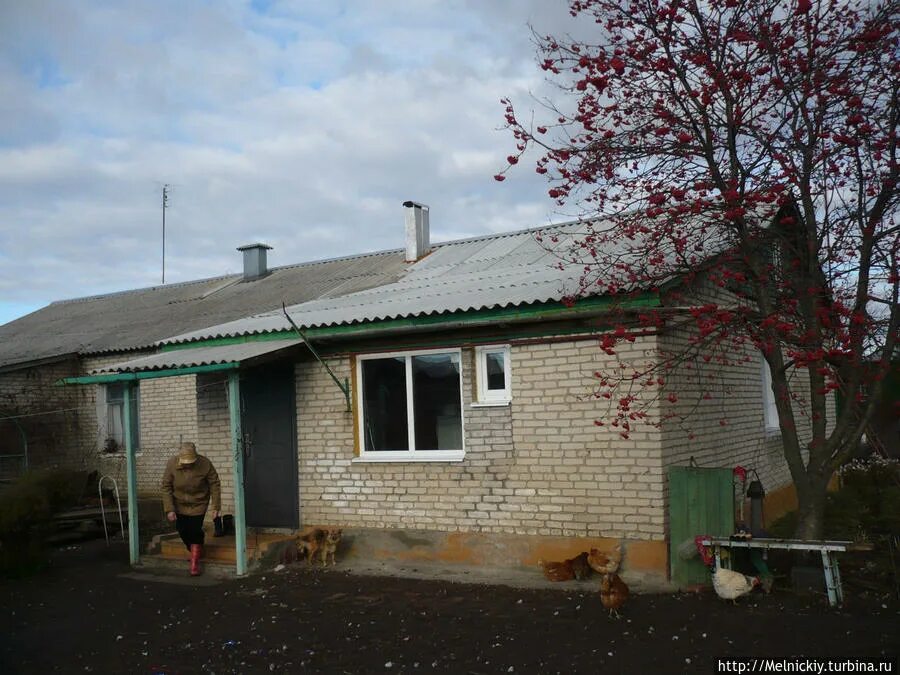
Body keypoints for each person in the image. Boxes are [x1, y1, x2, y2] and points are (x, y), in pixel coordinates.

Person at [161, 442, 221, 576]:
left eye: (190, 461)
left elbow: (215, 484)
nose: (188, 464)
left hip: (198, 503)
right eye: (185, 462)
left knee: (194, 529)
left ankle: (194, 563)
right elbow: (166, 487)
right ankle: (196, 548)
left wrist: (216, 506)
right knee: (182, 530)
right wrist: (169, 509)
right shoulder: (172, 464)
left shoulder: (205, 464)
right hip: (179, 503)